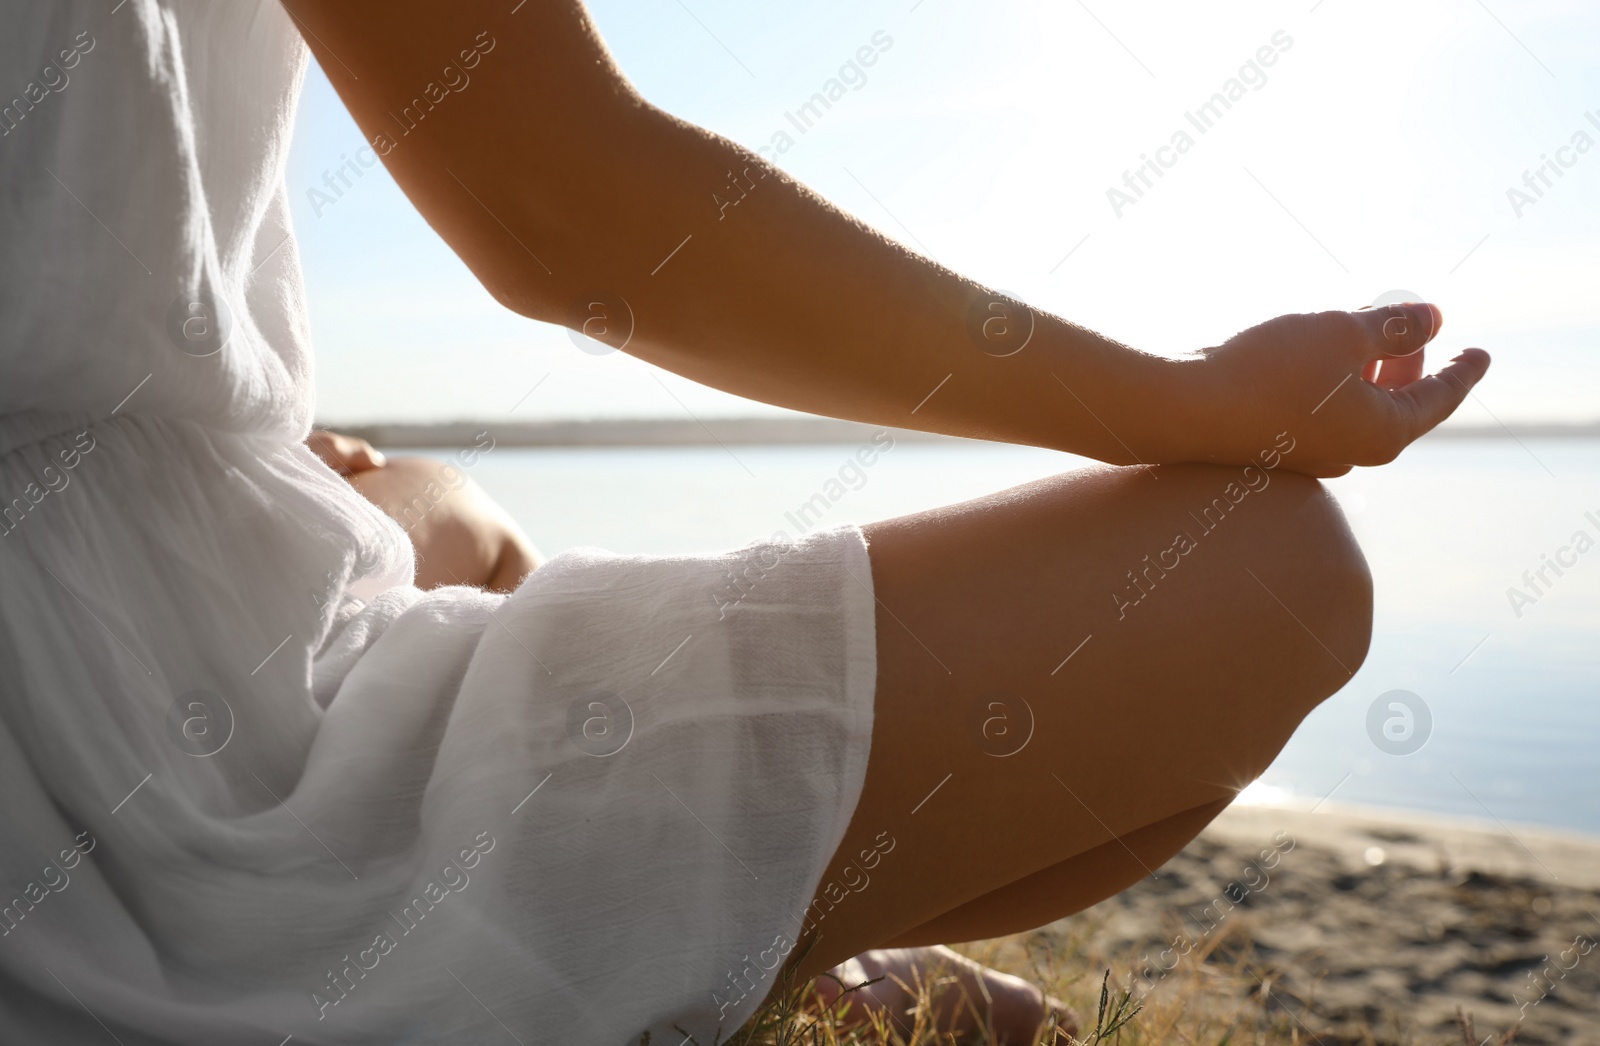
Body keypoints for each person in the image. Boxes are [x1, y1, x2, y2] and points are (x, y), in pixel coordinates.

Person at [0, 2, 1488, 1044]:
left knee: (446, 506)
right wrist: (1189, 401)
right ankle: (729, 954)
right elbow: (562, 201)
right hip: (137, 759)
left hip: (159, 590)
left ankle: (741, 937)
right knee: (1275, 575)